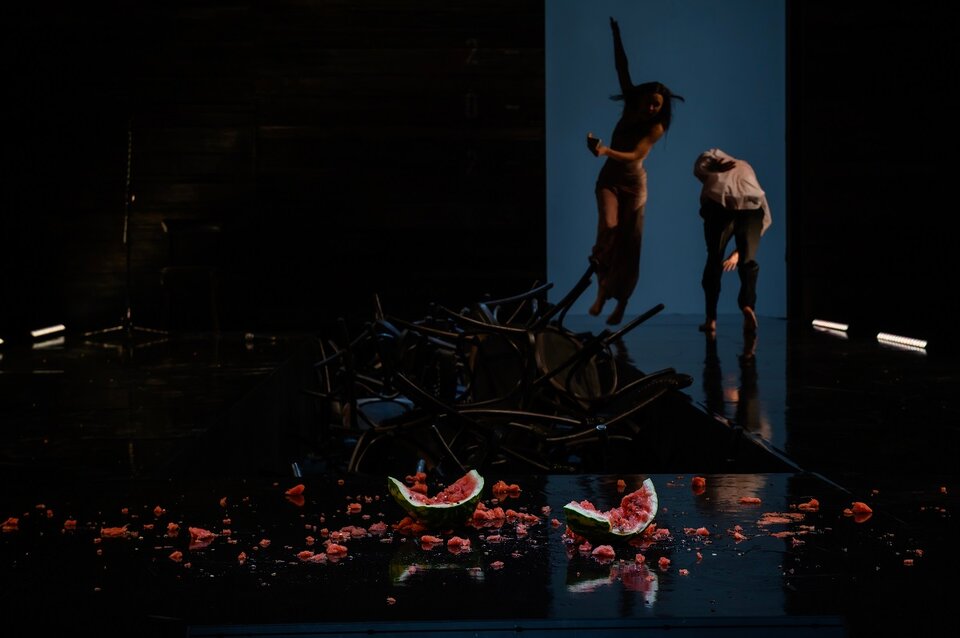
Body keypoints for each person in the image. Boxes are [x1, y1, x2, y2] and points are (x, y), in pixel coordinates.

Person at [586, 17, 684, 325]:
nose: (653, 108)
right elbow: (622, 67)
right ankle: (602, 290)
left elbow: (635, 155)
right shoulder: (631, 104)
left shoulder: (656, 127)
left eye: (658, 105)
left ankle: (621, 302)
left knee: (630, 243)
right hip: (609, 181)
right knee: (608, 228)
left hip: (634, 185)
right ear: (642, 98)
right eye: (650, 102)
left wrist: (605, 151)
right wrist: (616, 35)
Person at [693, 148, 771, 334]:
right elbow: (765, 217)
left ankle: (711, 320)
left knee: (714, 260)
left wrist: (713, 166)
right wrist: (738, 253)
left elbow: (700, 165)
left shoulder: (715, 155)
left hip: (720, 207)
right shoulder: (746, 167)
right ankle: (748, 307)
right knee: (748, 262)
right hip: (752, 209)